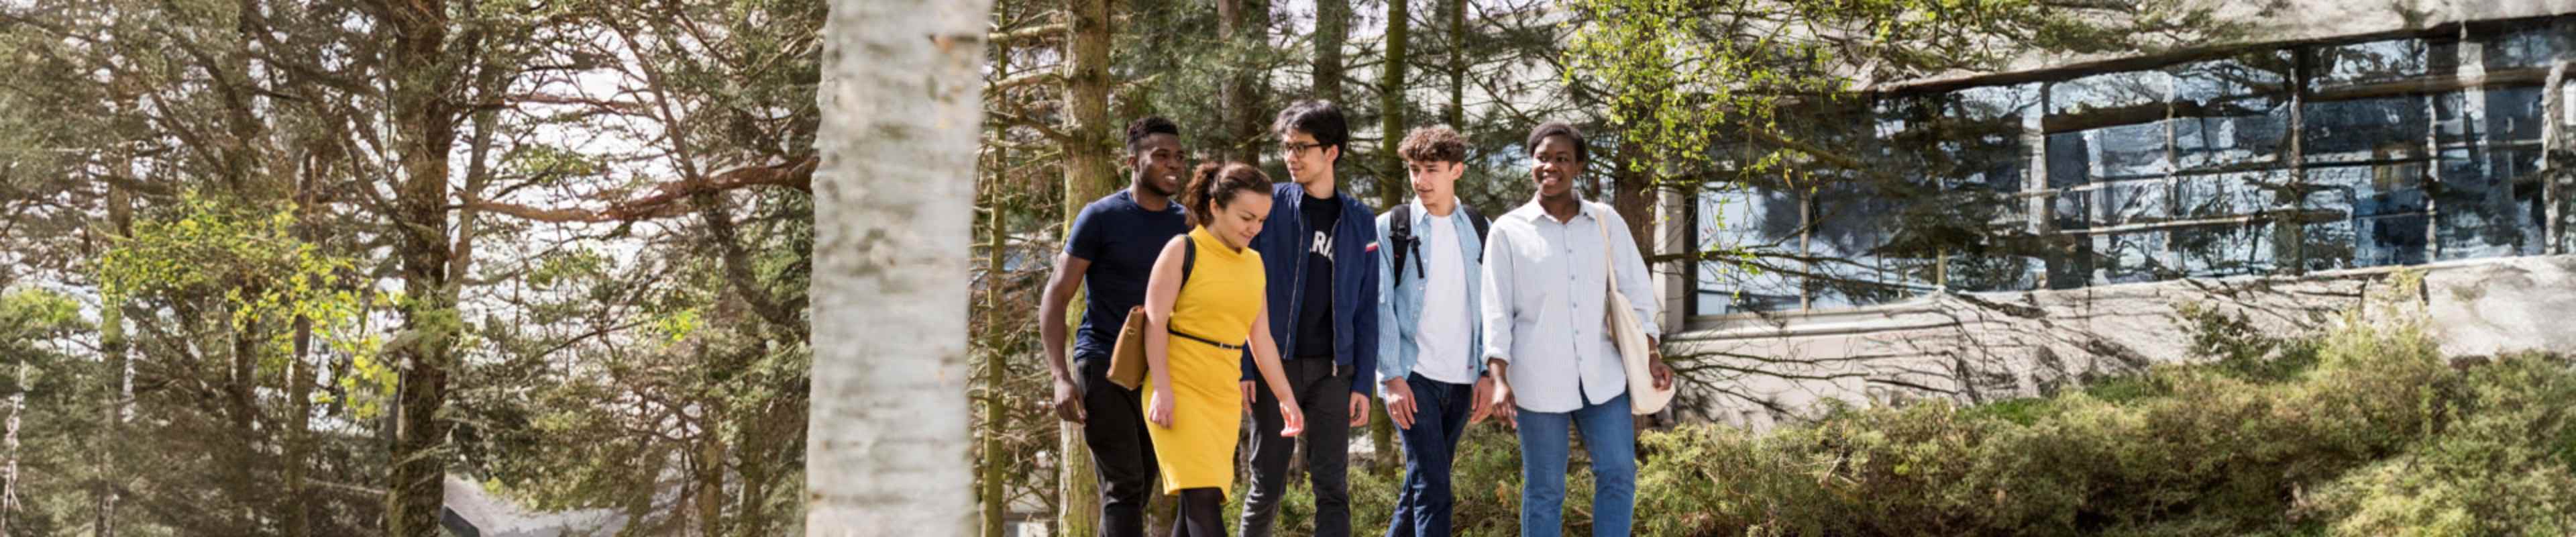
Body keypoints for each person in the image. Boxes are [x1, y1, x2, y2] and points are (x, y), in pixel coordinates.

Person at [1479, 121, 1674, 537]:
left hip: (1602, 377)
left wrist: (1652, 354)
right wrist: (1498, 379)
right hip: (1536, 381)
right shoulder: (1508, 231)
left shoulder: (1605, 222)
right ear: (1531, 163)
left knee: (1619, 474)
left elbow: (1638, 294)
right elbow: (1495, 311)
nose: (1551, 166)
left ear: (1579, 166)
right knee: (1546, 489)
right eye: (1542, 157)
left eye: (1562, 158)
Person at [1036, 117, 1193, 537]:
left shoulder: (1187, 225)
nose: (1173, 164)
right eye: (1160, 156)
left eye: (1179, 156)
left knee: (1141, 482)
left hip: (1160, 369)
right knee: (1123, 485)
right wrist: (1060, 378)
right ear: (1132, 161)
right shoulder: (1101, 217)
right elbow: (1056, 295)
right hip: (1104, 362)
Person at [1142, 162, 1309, 537]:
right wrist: (1164, 390)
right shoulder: (1182, 250)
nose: (1255, 228)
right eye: (1246, 217)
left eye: (1262, 220)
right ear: (1215, 206)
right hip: (1177, 388)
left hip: (1222, 395)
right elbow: (1153, 323)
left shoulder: (1254, 264)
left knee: (1196, 507)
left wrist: (1286, 398)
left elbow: (1260, 338)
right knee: (1201, 500)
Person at [1238, 100, 1381, 537]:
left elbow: (1366, 309)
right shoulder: (1271, 206)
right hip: (1273, 367)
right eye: (1287, 147)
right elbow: (1245, 291)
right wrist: (1247, 366)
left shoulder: (1360, 221)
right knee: (1266, 484)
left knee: (1332, 487)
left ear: (1331, 152)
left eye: (1302, 147)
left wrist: (1361, 383)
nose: (1292, 157)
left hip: (1333, 373)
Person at [1373, 126, 1497, 537]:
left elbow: (1492, 306)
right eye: (1413, 170)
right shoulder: (1392, 226)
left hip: (1462, 378)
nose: (1421, 181)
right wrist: (1391, 378)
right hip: (1414, 377)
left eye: (1432, 170)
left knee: (1420, 484)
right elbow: (1380, 305)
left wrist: (1486, 373)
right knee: (1435, 488)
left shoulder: (1481, 228)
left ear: (1456, 170)